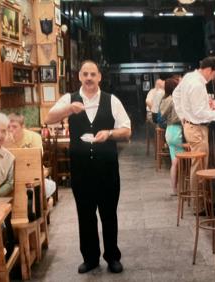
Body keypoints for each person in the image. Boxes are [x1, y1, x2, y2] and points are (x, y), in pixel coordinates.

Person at [44, 60, 131, 274]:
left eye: (93, 74)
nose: (89, 78)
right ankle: (90, 258)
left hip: (107, 169)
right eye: (85, 74)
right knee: (85, 214)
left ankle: (112, 257)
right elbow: (48, 118)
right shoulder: (69, 99)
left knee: (109, 213)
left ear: (99, 77)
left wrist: (109, 133)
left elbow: (127, 130)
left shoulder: (112, 101)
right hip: (81, 171)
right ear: (80, 76)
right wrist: (68, 109)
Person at [173, 57, 215, 207]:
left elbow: (176, 95)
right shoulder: (197, 84)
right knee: (199, 168)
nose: (213, 78)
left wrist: (183, 116)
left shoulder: (188, 77)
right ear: (208, 70)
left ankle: (199, 201)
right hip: (197, 129)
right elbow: (199, 113)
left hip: (190, 126)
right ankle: (199, 207)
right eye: (214, 75)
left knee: (197, 166)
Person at [4, 112, 56, 198]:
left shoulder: (34, 137)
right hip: (11, 174)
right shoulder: (4, 140)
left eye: (14, 127)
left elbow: (37, 158)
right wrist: (7, 144)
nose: (11, 130)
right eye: (8, 127)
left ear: (22, 126)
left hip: (32, 171)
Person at [159, 78, 183, 195]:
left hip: (169, 131)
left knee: (175, 162)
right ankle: (184, 187)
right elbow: (181, 116)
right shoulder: (175, 100)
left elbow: (162, 114)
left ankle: (174, 189)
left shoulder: (165, 99)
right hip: (178, 131)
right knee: (182, 162)